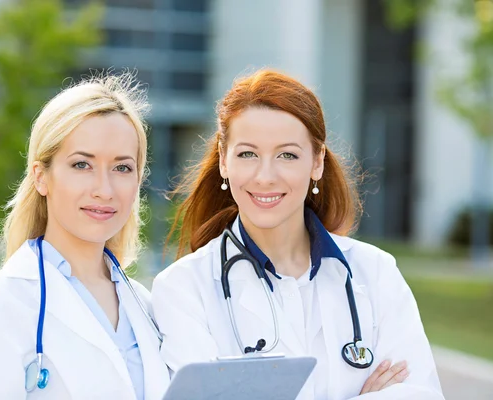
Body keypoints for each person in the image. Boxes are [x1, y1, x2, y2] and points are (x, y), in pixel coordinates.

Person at [152, 69, 444, 400]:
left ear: (317, 162)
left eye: (287, 155)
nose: (265, 176)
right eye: (248, 154)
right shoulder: (184, 289)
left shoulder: (375, 273)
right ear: (223, 160)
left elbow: (421, 393)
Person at [0, 73, 170, 399]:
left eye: (122, 168)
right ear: (42, 177)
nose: (104, 189)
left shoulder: (149, 308)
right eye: (82, 165)